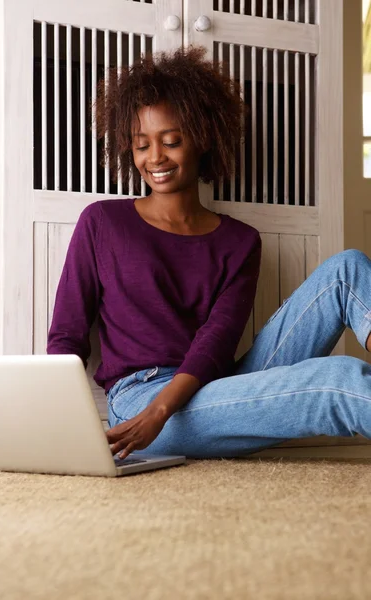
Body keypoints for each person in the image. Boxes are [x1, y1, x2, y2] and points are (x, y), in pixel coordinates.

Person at [47, 46, 371, 461]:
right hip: (139, 400)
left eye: (171, 141)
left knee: (347, 269)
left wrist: (163, 410)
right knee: (338, 380)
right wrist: (64, 430)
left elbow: (216, 342)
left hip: (206, 384)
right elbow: (67, 336)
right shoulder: (102, 223)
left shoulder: (239, 241)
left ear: (202, 139)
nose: (155, 158)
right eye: (141, 145)